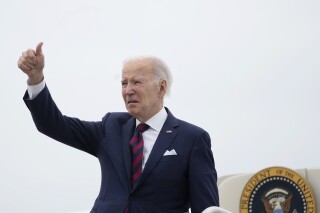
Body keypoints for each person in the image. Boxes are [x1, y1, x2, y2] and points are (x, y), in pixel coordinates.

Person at [17, 42, 219, 213]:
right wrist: (36, 78)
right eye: (124, 83)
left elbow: (207, 209)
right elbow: (53, 125)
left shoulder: (192, 139)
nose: (128, 90)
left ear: (162, 87)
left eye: (137, 82)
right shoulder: (111, 127)